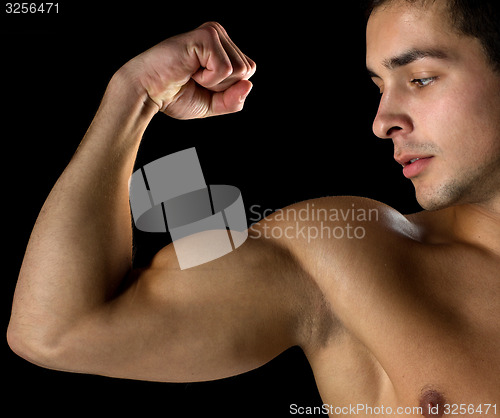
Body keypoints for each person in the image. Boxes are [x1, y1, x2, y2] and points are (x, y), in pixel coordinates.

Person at [7, 0, 500, 415]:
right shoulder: (351, 253)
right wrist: (135, 94)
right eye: (378, 89)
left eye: (420, 79)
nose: (382, 121)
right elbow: (57, 329)